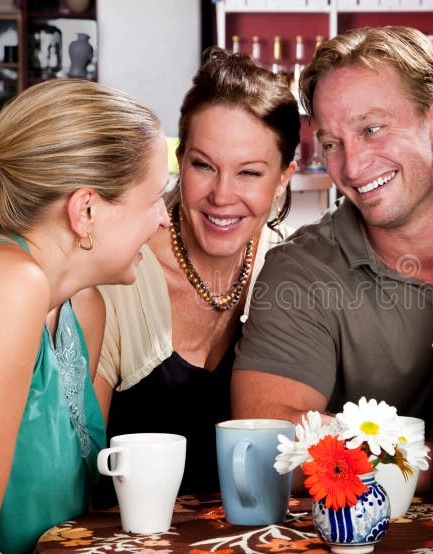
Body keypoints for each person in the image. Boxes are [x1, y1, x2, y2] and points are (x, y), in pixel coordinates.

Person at [230, 25, 433, 478]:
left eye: (372, 129)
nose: (351, 167)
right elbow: (268, 442)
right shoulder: (302, 270)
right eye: (331, 144)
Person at [0, 79, 169, 554]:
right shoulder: (3, 283)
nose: (164, 220)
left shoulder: (85, 310)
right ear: (85, 210)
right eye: (154, 198)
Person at [87, 46, 299, 501]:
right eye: (203, 165)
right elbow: (79, 472)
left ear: (283, 177)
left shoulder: (291, 273)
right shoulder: (121, 273)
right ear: (179, 161)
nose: (222, 195)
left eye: (249, 172)